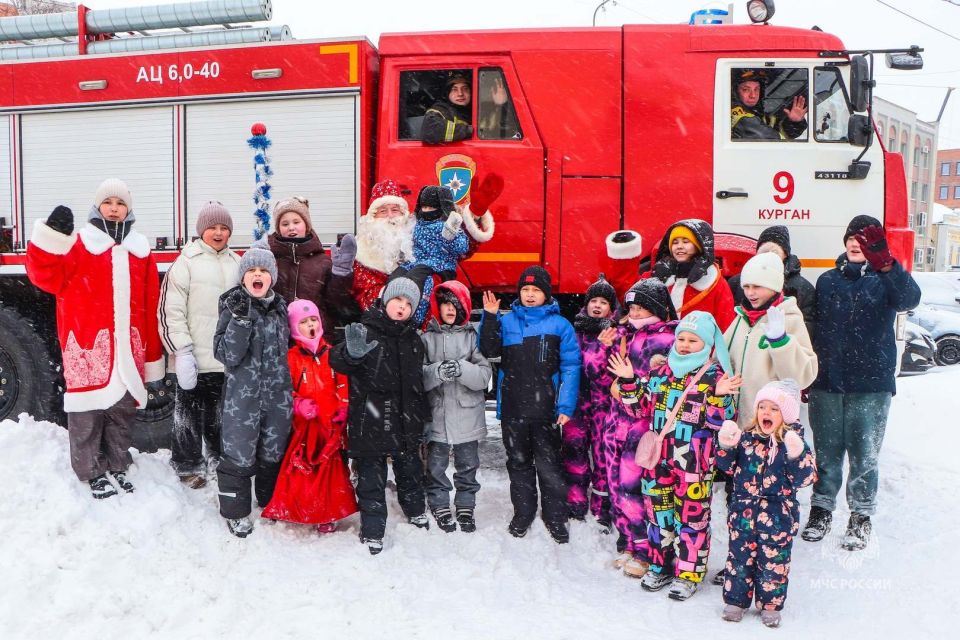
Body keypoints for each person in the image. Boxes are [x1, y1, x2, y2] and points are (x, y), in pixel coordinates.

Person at [26, 179, 164, 499]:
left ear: (128, 209)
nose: (114, 207)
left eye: (120, 203)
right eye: (108, 202)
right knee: (86, 413)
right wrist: (51, 237)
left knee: (121, 412)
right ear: (97, 206)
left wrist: (152, 353)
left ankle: (117, 462)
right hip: (88, 343)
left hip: (129, 345)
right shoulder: (78, 245)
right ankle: (90, 469)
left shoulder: (140, 250)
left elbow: (150, 302)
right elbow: (44, 274)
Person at [801, 215, 920, 550]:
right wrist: (810, 373)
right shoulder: (827, 281)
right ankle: (821, 511)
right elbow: (816, 330)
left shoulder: (886, 280)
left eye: (865, 239)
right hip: (828, 382)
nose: (856, 242)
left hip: (871, 384)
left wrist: (887, 266)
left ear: (876, 246)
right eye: (851, 237)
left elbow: (909, 299)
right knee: (826, 455)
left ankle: (860, 517)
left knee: (865, 456)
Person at [607, 310, 740, 600]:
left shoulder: (715, 376)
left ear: (707, 344)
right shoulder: (660, 372)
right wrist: (629, 381)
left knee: (691, 521)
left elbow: (724, 421)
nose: (684, 344)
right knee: (659, 515)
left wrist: (719, 396)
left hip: (694, 464)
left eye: (693, 340)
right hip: (658, 462)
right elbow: (637, 409)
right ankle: (661, 565)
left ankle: (688, 573)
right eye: (681, 338)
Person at [329, 273, 430, 555]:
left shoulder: (414, 340)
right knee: (371, 478)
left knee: (409, 471)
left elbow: (417, 384)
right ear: (385, 300)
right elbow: (336, 361)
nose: (401, 307)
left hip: (405, 420)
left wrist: (420, 417)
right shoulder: (366, 331)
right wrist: (352, 353)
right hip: (371, 419)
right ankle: (373, 529)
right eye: (397, 299)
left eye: (408, 304)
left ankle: (415, 510)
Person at [479, 266, 580, 543]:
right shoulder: (508, 321)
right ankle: (523, 513)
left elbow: (571, 367)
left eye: (536, 290)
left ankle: (555, 515)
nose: (530, 295)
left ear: (546, 294)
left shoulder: (561, 326)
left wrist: (565, 406)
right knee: (519, 464)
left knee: (549, 466)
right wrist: (489, 317)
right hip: (513, 408)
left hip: (547, 410)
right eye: (525, 290)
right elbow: (489, 350)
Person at [716, 380, 816, 628]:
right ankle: (736, 601)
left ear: (787, 415)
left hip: (777, 518)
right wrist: (726, 446)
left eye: (774, 408)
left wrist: (796, 455)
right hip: (743, 515)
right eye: (763, 407)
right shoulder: (747, 438)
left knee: (774, 564)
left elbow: (805, 478)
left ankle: (770, 605)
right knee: (739, 560)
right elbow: (726, 468)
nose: (766, 413)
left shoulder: (793, 442)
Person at [213, 239, 293, 538]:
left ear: (272, 276)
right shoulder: (233, 307)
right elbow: (226, 354)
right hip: (242, 401)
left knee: (273, 453)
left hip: (278, 398)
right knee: (239, 456)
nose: (257, 275)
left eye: (263, 270)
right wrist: (241, 320)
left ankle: (269, 501)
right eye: (251, 270)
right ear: (243, 276)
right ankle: (235, 512)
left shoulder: (282, 307)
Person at [159, 201, 240, 489]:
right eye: (212, 228)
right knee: (187, 417)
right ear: (200, 231)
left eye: (223, 228)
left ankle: (218, 457)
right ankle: (187, 463)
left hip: (225, 359)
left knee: (221, 415)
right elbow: (171, 311)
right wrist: (181, 351)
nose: (218, 233)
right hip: (193, 357)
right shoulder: (186, 262)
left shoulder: (236, 263)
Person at [261, 299, 357, 532]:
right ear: (294, 328)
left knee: (329, 474)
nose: (311, 325)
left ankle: (328, 512)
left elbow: (343, 383)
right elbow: (285, 391)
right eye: (304, 322)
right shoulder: (292, 358)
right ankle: (299, 508)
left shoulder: (332, 353)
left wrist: (344, 407)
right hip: (305, 428)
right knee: (302, 472)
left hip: (330, 425)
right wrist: (299, 404)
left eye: (313, 319)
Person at [607, 279, 678, 578]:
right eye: (632, 308)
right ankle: (631, 541)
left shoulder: (663, 340)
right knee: (619, 486)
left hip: (641, 424)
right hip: (619, 421)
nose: (635, 313)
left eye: (641, 308)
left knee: (635, 487)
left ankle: (648, 550)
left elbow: (657, 386)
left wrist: (627, 386)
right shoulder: (629, 335)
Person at [421, 280, 492, 533]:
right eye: (445, 305)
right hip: (437, 414)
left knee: (467, 465)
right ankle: (439, 503)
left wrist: (462, 369)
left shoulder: (473, 338)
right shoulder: (426, 337)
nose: (450, 310)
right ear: (437, 307)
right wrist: (437, 371)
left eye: (455, 305)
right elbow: (418, 377)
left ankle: (465, 504)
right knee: (436, 466)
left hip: (467, 414)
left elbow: (484, 376)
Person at [562, 274, 620, 530]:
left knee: (602, 458)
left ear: (611, 308)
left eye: (603, 302)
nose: (598, 306)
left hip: (603, 407)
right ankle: (575, 503)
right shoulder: (575, 332)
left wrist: (600, 348)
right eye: (593, 301)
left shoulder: (617, 335)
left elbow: (601, 373)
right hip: (577, 405)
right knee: (574, 454)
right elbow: (574, 368)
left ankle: (601, 508)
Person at [267, 196, 355, 339]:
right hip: (281, 339)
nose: (291, 227)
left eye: (296, 222)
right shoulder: (271, 261)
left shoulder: (323, 262)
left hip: (315, 338)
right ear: (278, 229)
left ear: (307, 225)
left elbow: (336, 303)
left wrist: (342, 275)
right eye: (284, 224)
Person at [644, 219, 736, 329]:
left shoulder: (716, 285)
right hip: (660, 345)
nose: (679, 246)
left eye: (686, 241)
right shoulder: (657, 276)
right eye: (675, 242)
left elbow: (725, 327)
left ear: (699, 245)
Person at [728, 225, 817, 337]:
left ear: (785, 254)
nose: (750, 292)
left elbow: (806, 328)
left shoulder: (802, 287)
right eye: (764, 251)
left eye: (774, 251)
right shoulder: (737, 282)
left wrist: (781, 339)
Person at [351, 179, 417, 313]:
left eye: (395, 210)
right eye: (383, 211)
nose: (390, 216)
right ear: (373, 216)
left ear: (403, 213)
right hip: (380, 321)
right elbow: (365, 291)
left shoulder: (415, 241)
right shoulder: (362, 251)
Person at [731, 69, 807, 140]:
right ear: (735, 92)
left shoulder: (761, 112)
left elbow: (781, 133)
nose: (753, 95)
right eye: (746, 90)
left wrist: (794, 122)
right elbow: (770, 139)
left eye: (757, 89)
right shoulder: (736, 114)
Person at [422, 73, 474, 144]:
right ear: (448, 93)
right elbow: (430, 130)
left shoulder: (476, 110)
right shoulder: (440, 110)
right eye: (454, 89)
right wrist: (470, 131)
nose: (460, 94)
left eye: (465, 89)